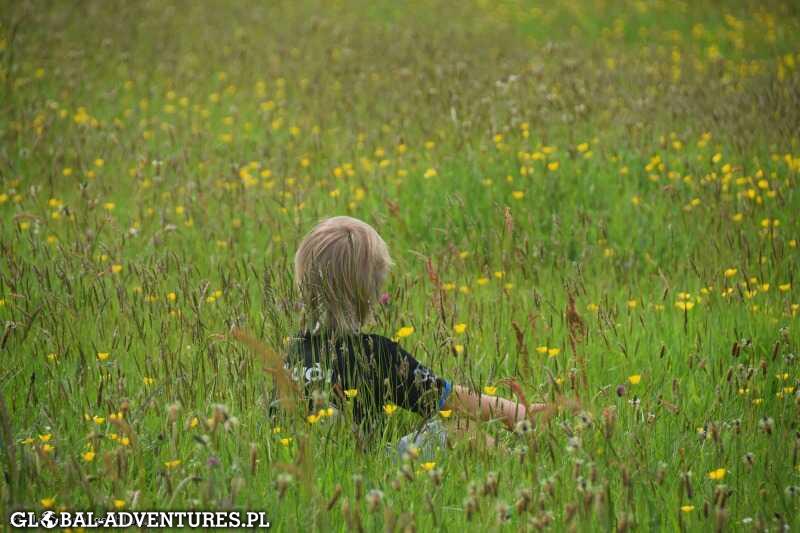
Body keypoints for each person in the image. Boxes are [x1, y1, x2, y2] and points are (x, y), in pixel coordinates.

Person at [285, 215, 534, 455]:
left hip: (304, 466)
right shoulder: (375, 354)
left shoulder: (294, 351)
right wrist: (517, 413)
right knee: (460, 429)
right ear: (369, 292)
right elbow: (450, 398)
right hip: (369, 466)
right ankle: (518, 461)